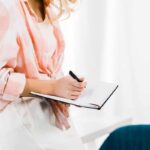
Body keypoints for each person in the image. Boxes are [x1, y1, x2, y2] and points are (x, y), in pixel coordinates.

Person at [0, 0, 86, 149]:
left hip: (48, 118)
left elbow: (49, 69)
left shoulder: (47, 7)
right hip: (19, 126)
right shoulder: (6, 6)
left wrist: (67, 88)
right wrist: (53, 87)